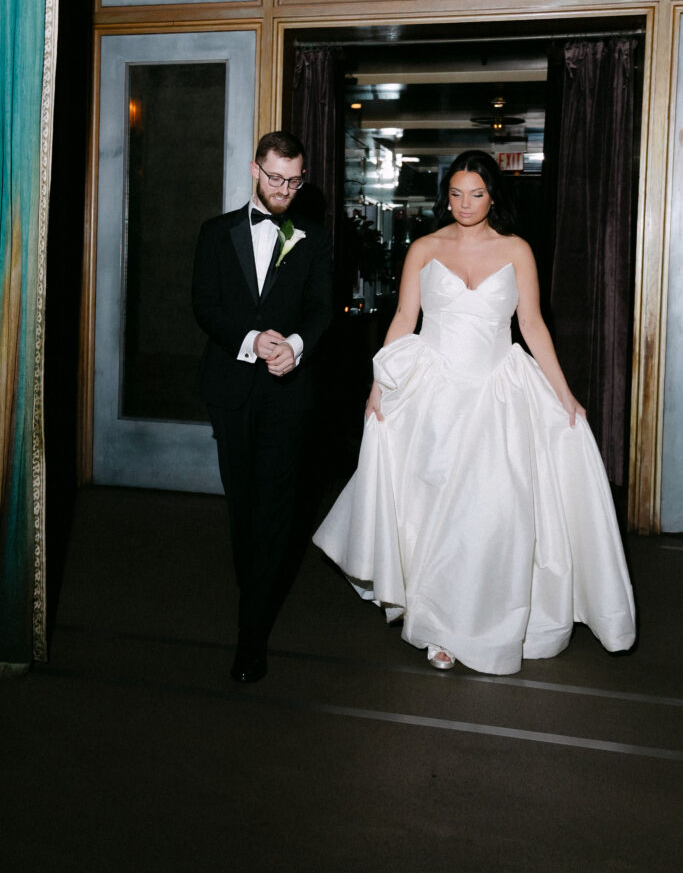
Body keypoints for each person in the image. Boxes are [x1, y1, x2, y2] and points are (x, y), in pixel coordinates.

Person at [313, 150, 635, 676]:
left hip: (498, 398)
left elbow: (531, 326)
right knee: (436, 514)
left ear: (493, 197)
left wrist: (564, 393)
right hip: (433, 398)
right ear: (447, 196)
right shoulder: (424, 248)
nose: (465, 204)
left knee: (493, 516)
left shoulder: (517, 251)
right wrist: (378, 385)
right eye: (456, 193)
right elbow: (404, 318)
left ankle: (486, 620)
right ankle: (440, 628)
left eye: (477, 194)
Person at [192, 131, 333, 683]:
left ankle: (251, 638)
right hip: (230, 389)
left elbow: (322, 309)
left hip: (287, 396)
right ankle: (252, 590)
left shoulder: (314, 238)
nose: (285, 189)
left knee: (275, 509)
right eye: (276, 178)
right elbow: (204, 306)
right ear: (255, 170)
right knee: (242, 507)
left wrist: (294, 349)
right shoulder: (216, 232)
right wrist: (254, 341)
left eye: (295, 180)